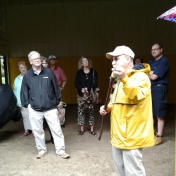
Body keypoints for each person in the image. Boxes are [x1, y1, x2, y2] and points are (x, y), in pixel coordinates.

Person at [99, 46, 154, 176]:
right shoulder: (120, 80)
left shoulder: (141, 77)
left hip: (132, 137)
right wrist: (107, 108)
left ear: (128, 59)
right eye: (112, 59)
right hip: (118, 135)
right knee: (120, 170)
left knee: (133, 172)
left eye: (116, 58)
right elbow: (117, 100)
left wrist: (123, 78)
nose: (113, 62)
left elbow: (135, 96)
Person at [20, 51, 70, 159]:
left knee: (57, 130)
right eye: (35, 59)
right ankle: (41, 150)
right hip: (34, 108)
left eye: (38, 58)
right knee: (38, 131)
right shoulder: (27, 75)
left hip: (50, 107)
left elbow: (56, 88)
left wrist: (57, 101)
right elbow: (24, 91)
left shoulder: (48, 72)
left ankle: (60, 151)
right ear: (30, 61)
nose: (37, 60)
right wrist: (27, 105)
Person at [148, 43, 170, 145]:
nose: (153, 51)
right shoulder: (151, 61)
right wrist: (150, 73)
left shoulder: (164, 61)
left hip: (160, 89)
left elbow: (154, 77)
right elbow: (147, 73)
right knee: (150, 112)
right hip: (151, 89)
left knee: (159, 113)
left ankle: (159, 136)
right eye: (152, 49)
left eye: (155, 49)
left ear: (161, 49)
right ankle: (151, 134)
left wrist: (150, 73)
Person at [74, 56, 98, 136]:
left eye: (87, 60)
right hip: (81, 95)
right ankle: (81, 130)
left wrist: (88, 88)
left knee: (91, 112)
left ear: (89, 62)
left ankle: (92, 130)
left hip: (91, 95)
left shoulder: (94, 72)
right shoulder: (79, 72)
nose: (85, 62)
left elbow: (96, 83)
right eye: (84, 61)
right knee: (81, 112)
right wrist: (81, 88)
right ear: (81, 63)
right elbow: (76, 84)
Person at [13, 61, 34, 138]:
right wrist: (15, 102)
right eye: (21, 68)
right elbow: (15, 90)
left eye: (24, 67)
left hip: (31, 101)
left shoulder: (31, 76)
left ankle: (34, 132)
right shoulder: (17, 79)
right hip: (21, 102)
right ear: (19, 69)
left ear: (27, 67)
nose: (23, 69)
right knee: (25, 117)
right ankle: (26, 131)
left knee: (32, 117)